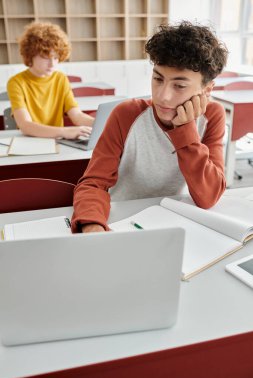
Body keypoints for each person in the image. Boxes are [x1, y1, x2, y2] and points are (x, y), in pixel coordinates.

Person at [71, 21, 228, 234]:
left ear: (207, 89)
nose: (163, 96)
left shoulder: (212, 116)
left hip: (179, 223)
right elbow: (93, 183)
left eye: (179, 86)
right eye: (157, 79)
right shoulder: (126, 114)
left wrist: (185, 129)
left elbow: (208, 197)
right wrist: (92, 225)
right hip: (122, 221)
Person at [7, 21, 94, 139]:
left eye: (56, 57)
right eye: (46, 58)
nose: (52, 64)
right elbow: (25, 126)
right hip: (30, 141)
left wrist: (101, 124)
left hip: (57, 141)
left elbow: (77, 115)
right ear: (30, 55)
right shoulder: (16, 82)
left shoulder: (60, 78)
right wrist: (64, 132)